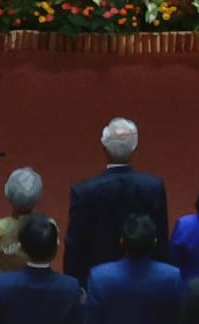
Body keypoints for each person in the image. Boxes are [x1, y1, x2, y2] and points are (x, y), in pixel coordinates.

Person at [65, 118, 168, 279]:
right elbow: (160, 240)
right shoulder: (153, 187)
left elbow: (75, 245)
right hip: (145, 278)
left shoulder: (84, 192)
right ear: (134, 149)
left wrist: (75, 286)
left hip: (95, 281)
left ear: (104, 148)